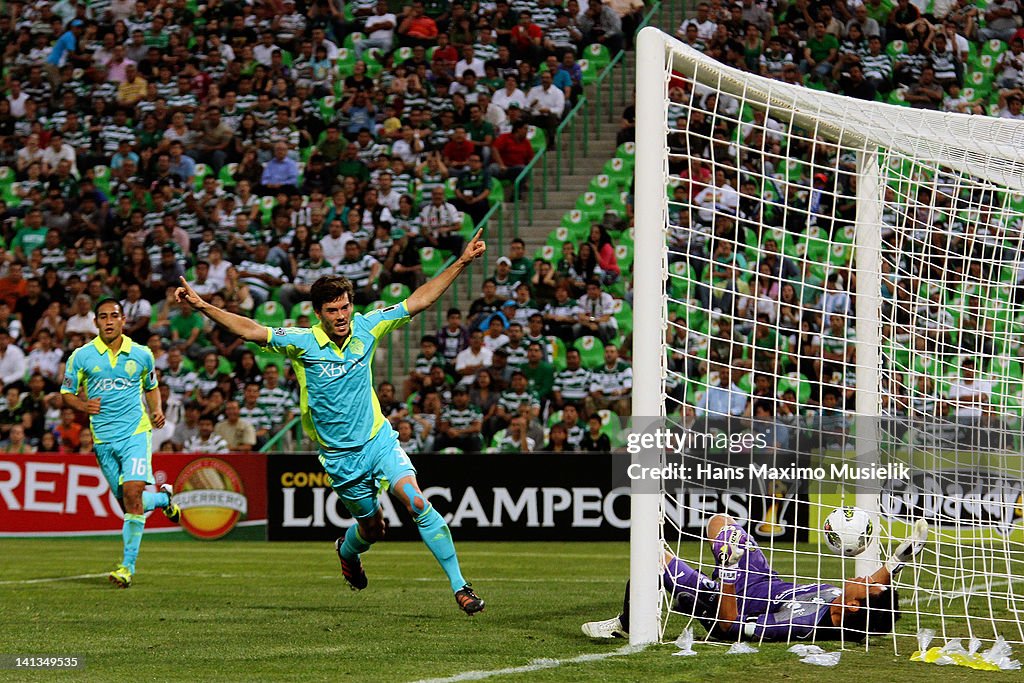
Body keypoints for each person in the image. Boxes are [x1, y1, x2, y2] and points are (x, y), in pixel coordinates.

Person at [174, 230, 489, 615]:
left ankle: (461, 586)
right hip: (340, 458)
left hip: (378, 441)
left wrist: (461, 261)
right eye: (332, 311)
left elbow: (419, 299)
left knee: (417, 500)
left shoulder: (368, 327)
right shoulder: (301, 343)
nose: (341, 317)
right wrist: (203, 305)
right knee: (373, 529)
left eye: (345, 308)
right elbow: (251, 329)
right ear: (318, 313)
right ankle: (348, 551)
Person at [581, 515, 929, 642]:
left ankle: (627, 624)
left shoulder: (800, 623)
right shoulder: (850, 603)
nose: (865, 576)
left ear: (853, 607)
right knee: (721, 522)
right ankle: (726, 556)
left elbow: (731, 627)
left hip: (726, 604)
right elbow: (876, 591)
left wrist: (728, 573)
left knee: (652, 557)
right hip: (760, 577)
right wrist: (898, 560)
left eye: (866, 583)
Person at [60, 299, 180, 589]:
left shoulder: (141, 354)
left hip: (135, 433)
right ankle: (164, 499)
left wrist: (157, 410)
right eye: (103, 317)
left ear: (123, 320)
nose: (109, 321)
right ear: (96, 323)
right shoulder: (81, 356)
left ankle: (127, 567)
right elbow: (66, 392)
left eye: (114, 316)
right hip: (102, 438)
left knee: (132, 493)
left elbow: (151, 388)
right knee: (128, 501)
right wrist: (82, 404)